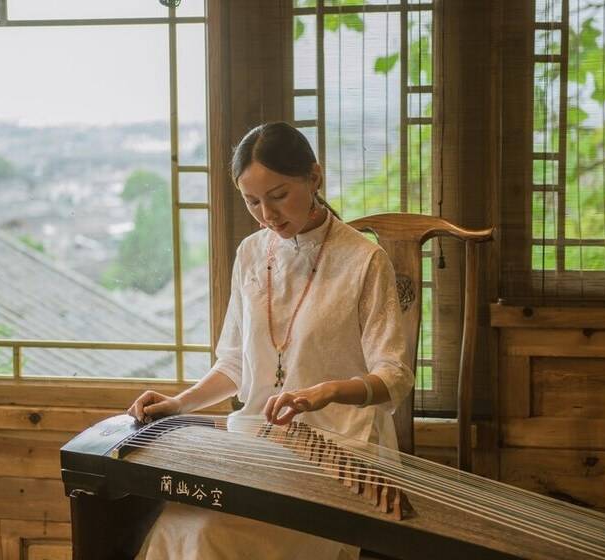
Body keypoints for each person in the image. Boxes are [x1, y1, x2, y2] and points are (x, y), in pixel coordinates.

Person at [128, 121, 414, 560]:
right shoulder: (249, 253)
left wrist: (325, 392)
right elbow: (235, 366)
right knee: (181, 525)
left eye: (279, 195)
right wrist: (178, 404)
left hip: (338, 452)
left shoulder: (363, 259)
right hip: (258, 443)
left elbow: (394, 376)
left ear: (314, 177)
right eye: (252, 201)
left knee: (211, 537)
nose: (267, 214)